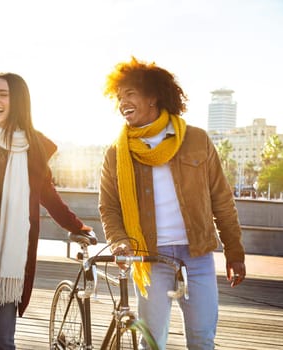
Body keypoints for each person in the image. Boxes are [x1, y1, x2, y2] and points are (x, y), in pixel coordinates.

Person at [99, 57, 246, 349]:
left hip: (198, 256)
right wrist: (119, 241)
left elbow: (222, 199)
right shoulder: (116, 153)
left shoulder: (196, 140)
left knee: (202, 338)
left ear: (153, 96)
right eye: (119, 97)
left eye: (130, 94)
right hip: (150, 258)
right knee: (151, 342)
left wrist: (234, 251)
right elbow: (110, 207)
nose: (122, 103)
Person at [0, 72, 92, 349]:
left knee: (5, 340)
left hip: (12, 253)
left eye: (3, 94)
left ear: (18, 100)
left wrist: (77, 227)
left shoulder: (32, 145)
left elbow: (46, 193)